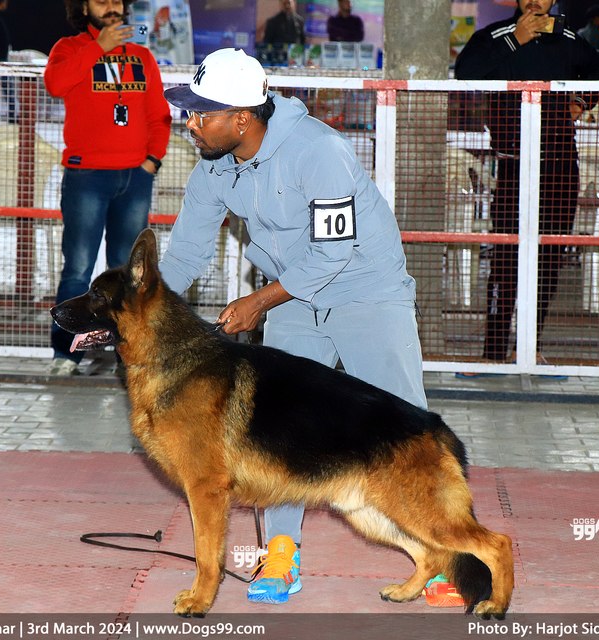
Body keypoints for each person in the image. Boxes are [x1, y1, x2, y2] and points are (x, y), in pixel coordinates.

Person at [158, 48, 458, 607]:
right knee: (280, 430)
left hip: (367, 289)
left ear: (242, 118)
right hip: (293, 296)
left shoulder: (320, 150)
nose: (190, 124)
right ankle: (280, 552)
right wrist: (134, 310)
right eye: (188, 112)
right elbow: (184, 256)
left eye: (201, 113)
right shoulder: (213, 167)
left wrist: (258, 302)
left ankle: (444, 555)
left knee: (406, 427)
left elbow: (333, 252)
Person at [454, 0, 599, 369]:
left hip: (560, 168)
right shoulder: (494, 36)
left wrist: (582, 100)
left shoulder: (568, 38)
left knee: (549, 259)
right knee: (506, 260)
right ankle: (494, 352)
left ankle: (530, 346)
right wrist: (516, 40)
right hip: (513, 166)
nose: (536, 1)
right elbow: (465, 73)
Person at [44, 0, 172, 376]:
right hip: (86, 176)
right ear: (84, 7)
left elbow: (159, 114)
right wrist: (98, 48)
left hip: (135, 177)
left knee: (129, 273)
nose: (112, 7)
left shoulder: (142, 56)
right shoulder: (69, 48)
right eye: (102, 1)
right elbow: (55, 84)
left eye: (117, 0)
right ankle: (66, 354)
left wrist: (152, 161)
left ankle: (126, 357)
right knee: (78, 267)